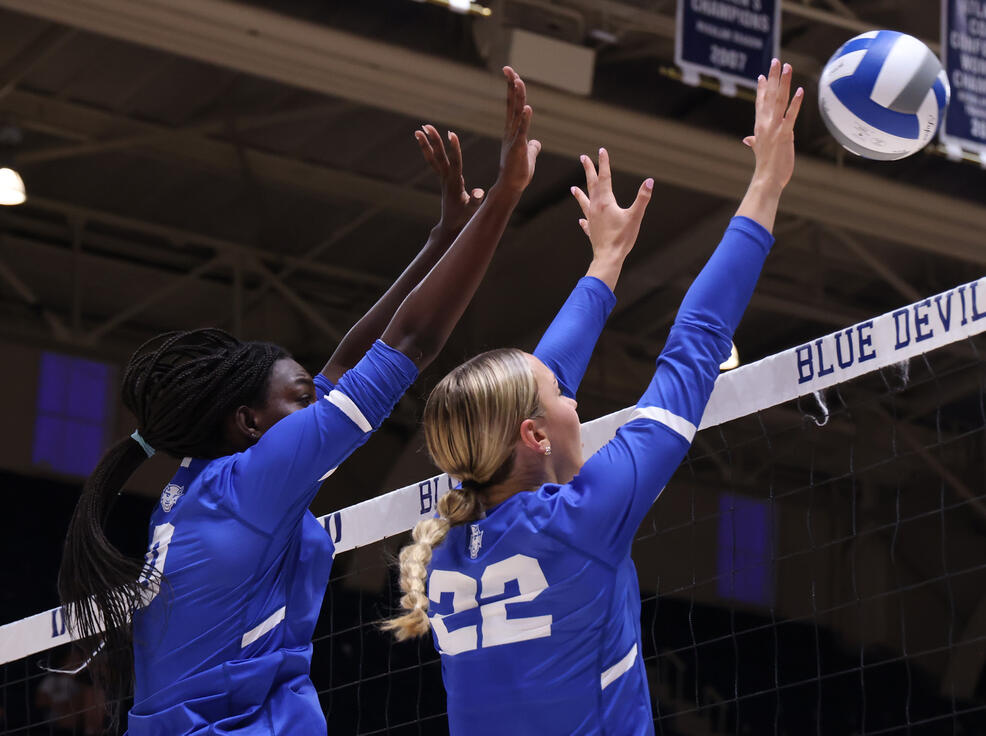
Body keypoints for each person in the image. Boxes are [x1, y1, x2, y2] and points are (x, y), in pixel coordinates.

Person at [57, 67, 541, 735]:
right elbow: (415, 339)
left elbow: (345, 362)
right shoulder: (257, 478)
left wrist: (444, 236)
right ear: (249, 421)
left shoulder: (209, 483)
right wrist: (505, 197)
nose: (319, 408)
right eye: (301, 398)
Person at [384, 59, 803, 735]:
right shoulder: (581, 518)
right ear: (533, 435)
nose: (575, 400)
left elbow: (534, 390)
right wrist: (766, 184)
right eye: (563, 395)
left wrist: (605, 263)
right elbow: (694, 342)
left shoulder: (460, 534)